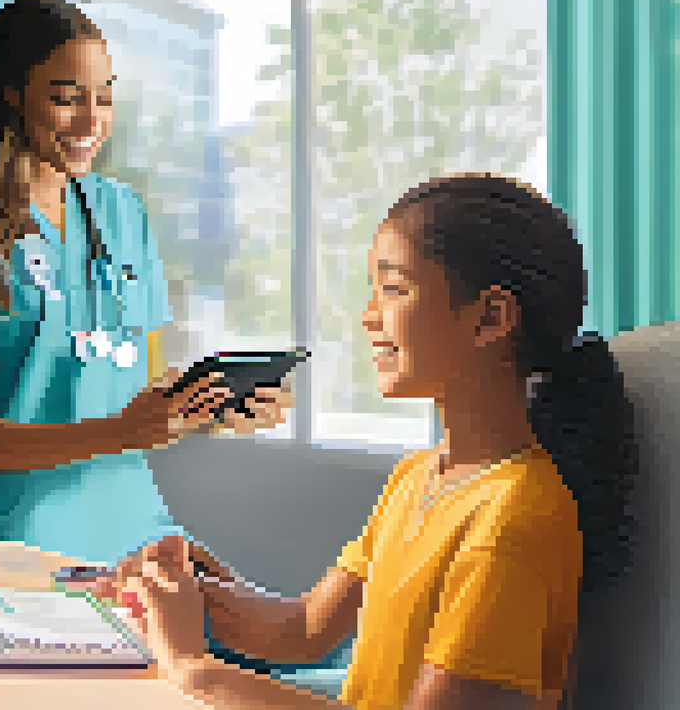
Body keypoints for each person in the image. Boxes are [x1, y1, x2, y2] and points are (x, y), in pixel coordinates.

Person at [0, 0, 347, 680]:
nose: (92, 121)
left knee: (317, 671)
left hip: (137, 535)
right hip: (13, 546)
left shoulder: (123, 212)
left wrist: (212, 409)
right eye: (67, 97)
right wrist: (124, 431)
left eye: (105, 97)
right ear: (12, 95)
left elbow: (140, 394)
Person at [107, 173, 638, 709]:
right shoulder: (419, 477)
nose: (368, 316)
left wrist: (194, 671)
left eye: (394, 288)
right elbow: (304, 627)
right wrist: (189, 590)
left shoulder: (515, 517)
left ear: (490, 318)